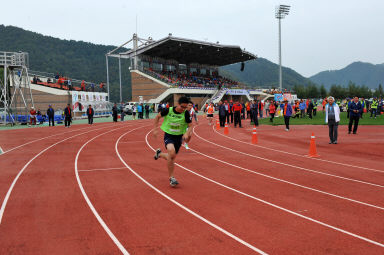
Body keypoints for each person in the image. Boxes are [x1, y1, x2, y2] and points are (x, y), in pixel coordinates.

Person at [153, 96, 193, 187]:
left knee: (172, 157)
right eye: (182, 107)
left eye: (185, 107)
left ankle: (159, 154)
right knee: (171, 153)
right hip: (169, 136)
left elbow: (190, 125)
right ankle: (171, 178)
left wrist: (187, 133)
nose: (183, 109)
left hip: (178, 137)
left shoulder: (186, 113)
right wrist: (155, 129)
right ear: (178, 104)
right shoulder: (168, 110)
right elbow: (157, 117)